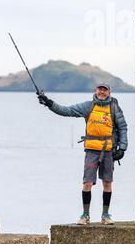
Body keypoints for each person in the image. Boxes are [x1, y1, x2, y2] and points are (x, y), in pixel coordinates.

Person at [37, 84, 128, 225]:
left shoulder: (114, 108)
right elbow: (67, 111)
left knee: (107, 183)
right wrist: (49, 103)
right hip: (91, 150)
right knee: (87, 183)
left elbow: (122, 127)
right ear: (95, 91)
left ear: (109, 92)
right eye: (100, 89)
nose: (102, 92)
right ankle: (85, 215)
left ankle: (105, 215)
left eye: (105, 90)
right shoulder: (88, 106)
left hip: (108, 150)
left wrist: (122, 148)